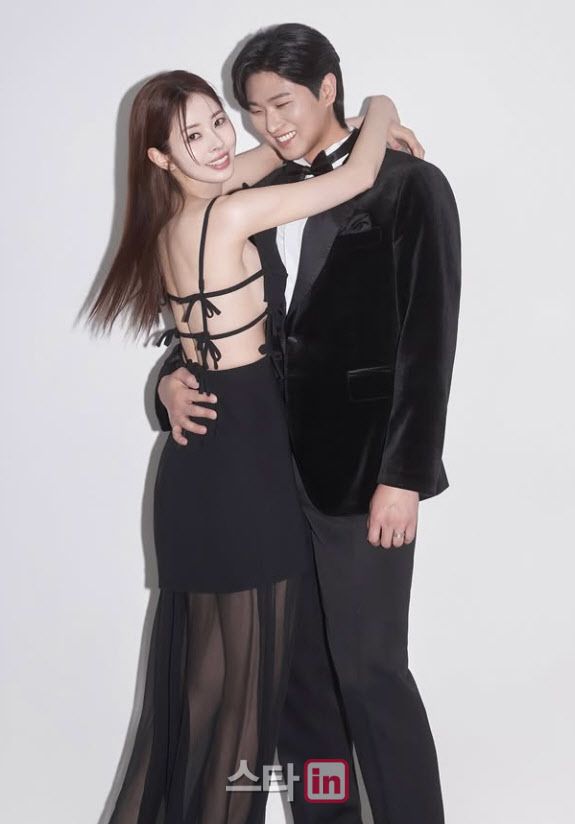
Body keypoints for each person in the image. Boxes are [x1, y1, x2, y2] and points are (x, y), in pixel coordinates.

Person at [88, 68, 415, 824]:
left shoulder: (184, 215)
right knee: (237, 712)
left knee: (202, 701)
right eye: (192, 135)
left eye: (217, 121)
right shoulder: (229, 215)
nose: (217, 142)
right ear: (159, 158)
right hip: (243, 465)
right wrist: (379, 107)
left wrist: (328, 130)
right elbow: (355, 176)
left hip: (203, 466)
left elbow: (276, 153)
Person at [155, 24, 462, 824]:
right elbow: (220, 326)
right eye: (253, 110)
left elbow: (427, 345)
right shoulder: (249, 198)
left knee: (368, 672)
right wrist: (167, 383)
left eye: (281, 104)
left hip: (360, 478)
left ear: (328, 88)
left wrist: (403, 477)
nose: (268, 125)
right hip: (259, 476)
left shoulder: (408, 185)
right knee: (295, 688)